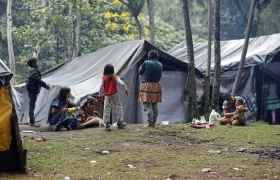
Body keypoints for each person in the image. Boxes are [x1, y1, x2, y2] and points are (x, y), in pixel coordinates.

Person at [99, 64, 128, 131]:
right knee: (119, 106)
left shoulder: (103, 78)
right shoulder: (115, 77)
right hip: (115, 95)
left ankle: (107, 124)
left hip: (107, 96)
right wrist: (126, 89)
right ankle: (120, 122)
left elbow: (101, 87)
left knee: (106, 109)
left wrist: (100, 95)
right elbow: (122, 83)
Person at [138, 50, 163, 127]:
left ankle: (150, 123)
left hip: (146, 85)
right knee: (154, 105)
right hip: (156, 86)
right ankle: (153, 122)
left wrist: (139, 68)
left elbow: (140, 72)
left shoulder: (146, 63)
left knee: (147, 105)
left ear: (149, 56)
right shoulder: (160, 64)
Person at [26, 57, 50, 127]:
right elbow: (37, 80)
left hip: (31, 89)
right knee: (32, 105)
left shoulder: (31, 70)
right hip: (32, 89)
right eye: (36, 62)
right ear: (33, 64)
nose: (38, 64)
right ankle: (32, 122)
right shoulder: (33, 71)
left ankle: (32, 121)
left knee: (32, 105)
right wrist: (45, 85)